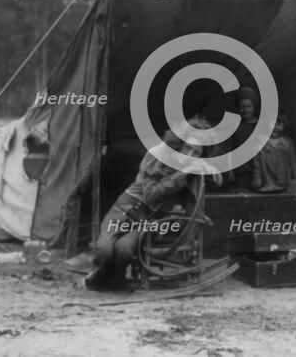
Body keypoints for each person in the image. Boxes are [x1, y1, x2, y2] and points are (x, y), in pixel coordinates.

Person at [84, 117, 221, 291]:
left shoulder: (192, 164)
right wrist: (181, 175)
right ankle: (98, 277)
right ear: (180, 141)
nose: (190, 155)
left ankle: (118, 281)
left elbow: (217, 181)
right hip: (124, 209)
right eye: (188, 148)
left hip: (148, 219)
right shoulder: (159, 154)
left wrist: (210, 169)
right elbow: (151, 195)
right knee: (105, 250)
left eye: (197, 152)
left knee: (124, 249)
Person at [251, 109, 296, 193]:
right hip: (267, 182)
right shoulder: (260, 143)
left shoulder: (287, 143)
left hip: (286, 183)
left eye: (279, 124)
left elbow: (293, 163)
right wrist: (257, 178)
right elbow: (257, 165)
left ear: (285, 125)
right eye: (272, 124)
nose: (275, 127)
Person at [225, 87, 259, 190]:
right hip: (240, 170)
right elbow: (229, 150)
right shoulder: (234, 127)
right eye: (242, 107)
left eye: (249, 106)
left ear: (254, 107)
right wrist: (230, 170)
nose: (246, 110)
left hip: (258, 170)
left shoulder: (261, 126)